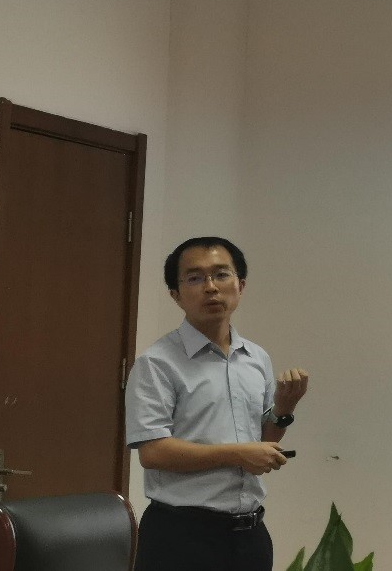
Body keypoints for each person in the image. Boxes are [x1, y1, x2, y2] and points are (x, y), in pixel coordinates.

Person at [125, 237, 309, 571]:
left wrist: (284, 409)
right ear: (176, 295)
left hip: (250, 535)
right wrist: (237, 454)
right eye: (195, 278)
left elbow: (263, 442)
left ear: (240, 285)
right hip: (181, 537)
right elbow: (153, 452)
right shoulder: (157, 363)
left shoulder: (256, 358)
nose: (211, 287)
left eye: (221, 275)